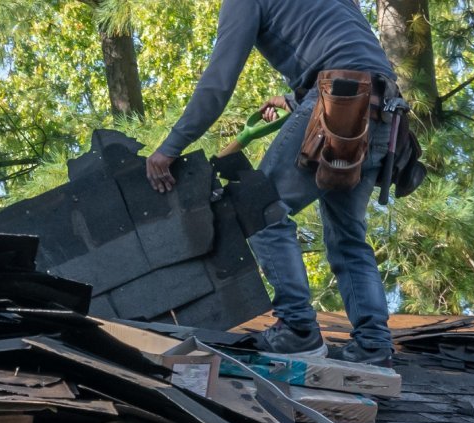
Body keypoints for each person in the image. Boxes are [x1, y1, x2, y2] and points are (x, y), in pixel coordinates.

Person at [145, 0, 397, 367]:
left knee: (260, 208)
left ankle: (296, 329)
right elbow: (351, 54)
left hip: (338, 100)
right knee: (347, 235)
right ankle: (374, 344)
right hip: (384, 111)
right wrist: (296, 97)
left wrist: (170, 148)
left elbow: (218, 82)